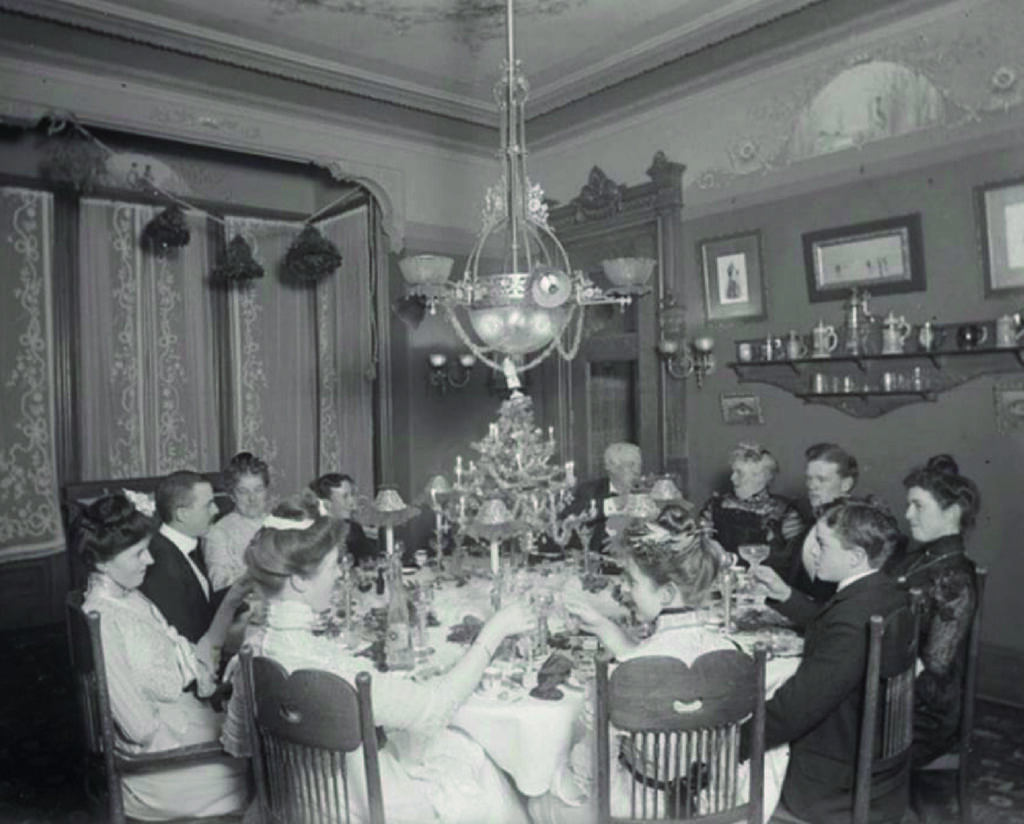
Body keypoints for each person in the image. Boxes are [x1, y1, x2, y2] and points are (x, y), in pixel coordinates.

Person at [223, 493, 535, 824]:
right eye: (332, 566)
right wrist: (495, 631)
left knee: (444, 747)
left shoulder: (252, 652)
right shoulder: (334, 676)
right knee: (477, 759)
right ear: (299, 581)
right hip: (367, 810)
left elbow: (242, 743)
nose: (339, 575)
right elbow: (437, 709)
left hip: (295, 805)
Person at [529, 516, 787, 823]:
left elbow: (591, 769)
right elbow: (657, 662)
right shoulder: (737, 657)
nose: (625, 590)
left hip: (637, 810)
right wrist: (604, 627)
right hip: (714, 806)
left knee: (537, 797)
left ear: (665, 594)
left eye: (633, 582)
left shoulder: (620, 676)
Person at [78, 493, 250, 821]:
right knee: (273, 766)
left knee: (257, 732)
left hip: (173, 732)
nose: (150, 560)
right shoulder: (103, 619)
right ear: (102, 563)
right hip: (154, 770)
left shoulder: (129, 598)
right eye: (138, 553)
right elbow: (139, 729)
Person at [748, 498, 910, 824]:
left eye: (822, 544)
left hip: (830, 788)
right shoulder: (883, 593)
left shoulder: (851, 619)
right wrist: (785, 595)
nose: (813, 552)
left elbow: (798, 708)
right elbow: (830, 624)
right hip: (878, 769)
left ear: (855, 557)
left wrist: (733, 740)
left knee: (720, 754)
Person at [888, 454, 981, 767]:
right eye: (908, 505)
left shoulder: (954, 579)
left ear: (951, 512)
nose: (908, 514)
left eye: (918, 506)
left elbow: (933, 678)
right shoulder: (919, 558)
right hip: (893, 689)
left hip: (922, 716)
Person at [766, 443, 858, 602]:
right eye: (809, 478)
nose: (811, 486)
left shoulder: (858, 527)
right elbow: (787, 568)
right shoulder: (813, 519)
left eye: (821, 479)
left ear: (846, 484)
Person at [141, 470, 223, 643]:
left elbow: (200, 604)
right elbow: (180, 638)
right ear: (182, 514)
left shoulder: (184, 544)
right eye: (208, 505)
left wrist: (240, 592)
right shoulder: (162, 564)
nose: (216, 510)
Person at [700, 442, 804, 564]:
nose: (732, 478)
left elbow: (796, 561)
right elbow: (700, 548)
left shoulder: (784, 512)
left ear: (761, 478)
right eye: (733, 472)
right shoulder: (715, 506)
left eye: (739, 473)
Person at [561, 442, 643, 556]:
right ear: (612, 466)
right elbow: (569, 515)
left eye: (639, 465)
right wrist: (615, 503)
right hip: (600, 560)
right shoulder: (590, 490)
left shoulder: (647, 492)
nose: (637, 471)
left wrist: (627, 541)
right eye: (631, 464)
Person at [203, 451, 271, 590]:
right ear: (232, 495)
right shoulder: (218, 533)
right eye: (243, 491)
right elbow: (220, 584)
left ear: (266, 491)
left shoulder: (279, 523)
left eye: (258, 489)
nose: (252, 498)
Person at [310, 472, 378, 565]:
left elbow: (369, 561)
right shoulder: (312, 535)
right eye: (345, 497)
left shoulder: (353, 529)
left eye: (352, 495)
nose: (352, 503)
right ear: (326, 503)